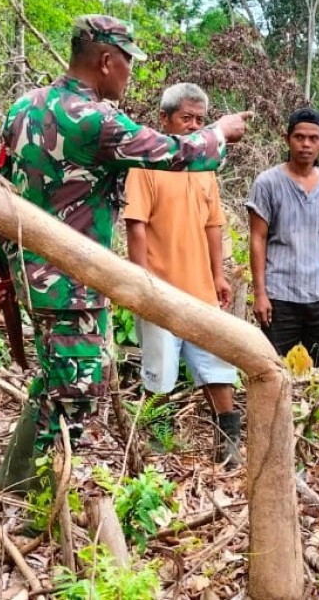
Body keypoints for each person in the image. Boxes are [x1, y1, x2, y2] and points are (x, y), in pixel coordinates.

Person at [0, 15, 252, 494]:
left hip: (31, 270)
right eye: (128, 62)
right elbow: (176, 155)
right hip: (70, 277)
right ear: (106, 60)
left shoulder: (22, 108)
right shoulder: (93, 118)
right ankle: (37, 488)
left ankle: (17, 474)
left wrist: (8, 264)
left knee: (57, 372)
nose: (130, 73)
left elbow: (1, 184)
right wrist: (218, 132)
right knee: (78, 384)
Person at [124, 83, 242, 466]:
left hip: (201, 291)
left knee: (216, 367)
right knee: (159, 374)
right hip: (160, 289)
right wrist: (142, 283)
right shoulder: (146, 164)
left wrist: (219, 275)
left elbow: (213, 226)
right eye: (185, 118)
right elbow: (136, 224)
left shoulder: (205, 168)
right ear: (165, 119)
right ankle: (156, 452)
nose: (193, 126)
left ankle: (229, 445)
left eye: (199, 120)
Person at [246, 107, 319, 439]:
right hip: (280, 293)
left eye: (313, 138)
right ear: (287, 139)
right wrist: (260, 293)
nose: (306, 144)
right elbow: (257, 238)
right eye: (299, 137)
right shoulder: (268, 183)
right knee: (271, 368)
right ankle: (272, 432)